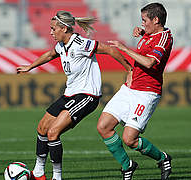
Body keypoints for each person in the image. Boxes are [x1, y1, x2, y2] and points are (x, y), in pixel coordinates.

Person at [17, 10, 132, 180]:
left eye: (53, 29)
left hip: (87, 96)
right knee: (42, 128)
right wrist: (30, 66)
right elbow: (50, 54)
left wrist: (129, 69)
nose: (50, 32)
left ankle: (57, 177)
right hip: (70, 94)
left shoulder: (81, 44)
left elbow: (109, 50)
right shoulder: (61, 46)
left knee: (53, 132)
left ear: (64, 28)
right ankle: (39, 173)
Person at [97, 3, 173, 180]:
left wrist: (124, 48)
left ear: (156, 20)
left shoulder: (164, 38)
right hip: (129, 89)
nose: (142, 23)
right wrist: (143, 32)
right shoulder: (151, 34)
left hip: (147, 93)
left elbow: (149, 63)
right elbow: (147, 43)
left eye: (145, 20)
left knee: (129, 140)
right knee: (103, 126)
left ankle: (163, 158)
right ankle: (127, 166)